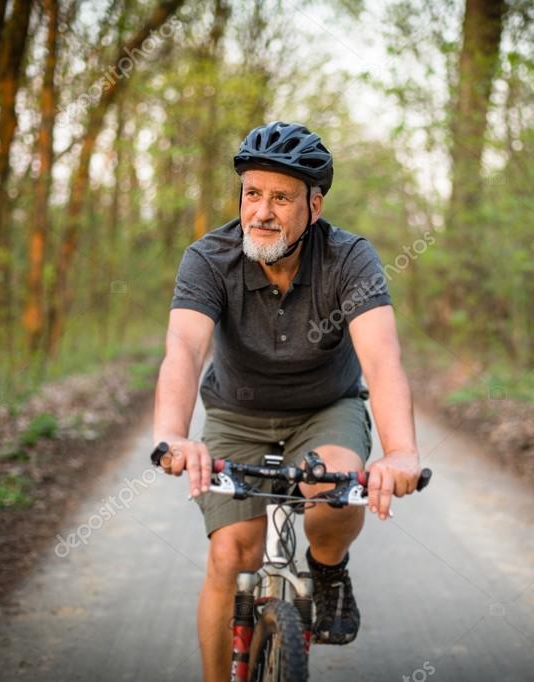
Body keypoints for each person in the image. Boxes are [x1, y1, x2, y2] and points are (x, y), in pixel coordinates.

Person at [152, 121, 423, 682]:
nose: (262, 212)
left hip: (326, 408)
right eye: (253, 193)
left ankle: (328, 569)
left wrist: (399, 451)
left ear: (314, 205)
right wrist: (174, 434)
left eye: (281, 197)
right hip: (235, 413)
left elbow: (382, 359)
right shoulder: (209, 258)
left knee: (332, 494)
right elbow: (183, 348)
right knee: (233, 553)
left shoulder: (350, 259)